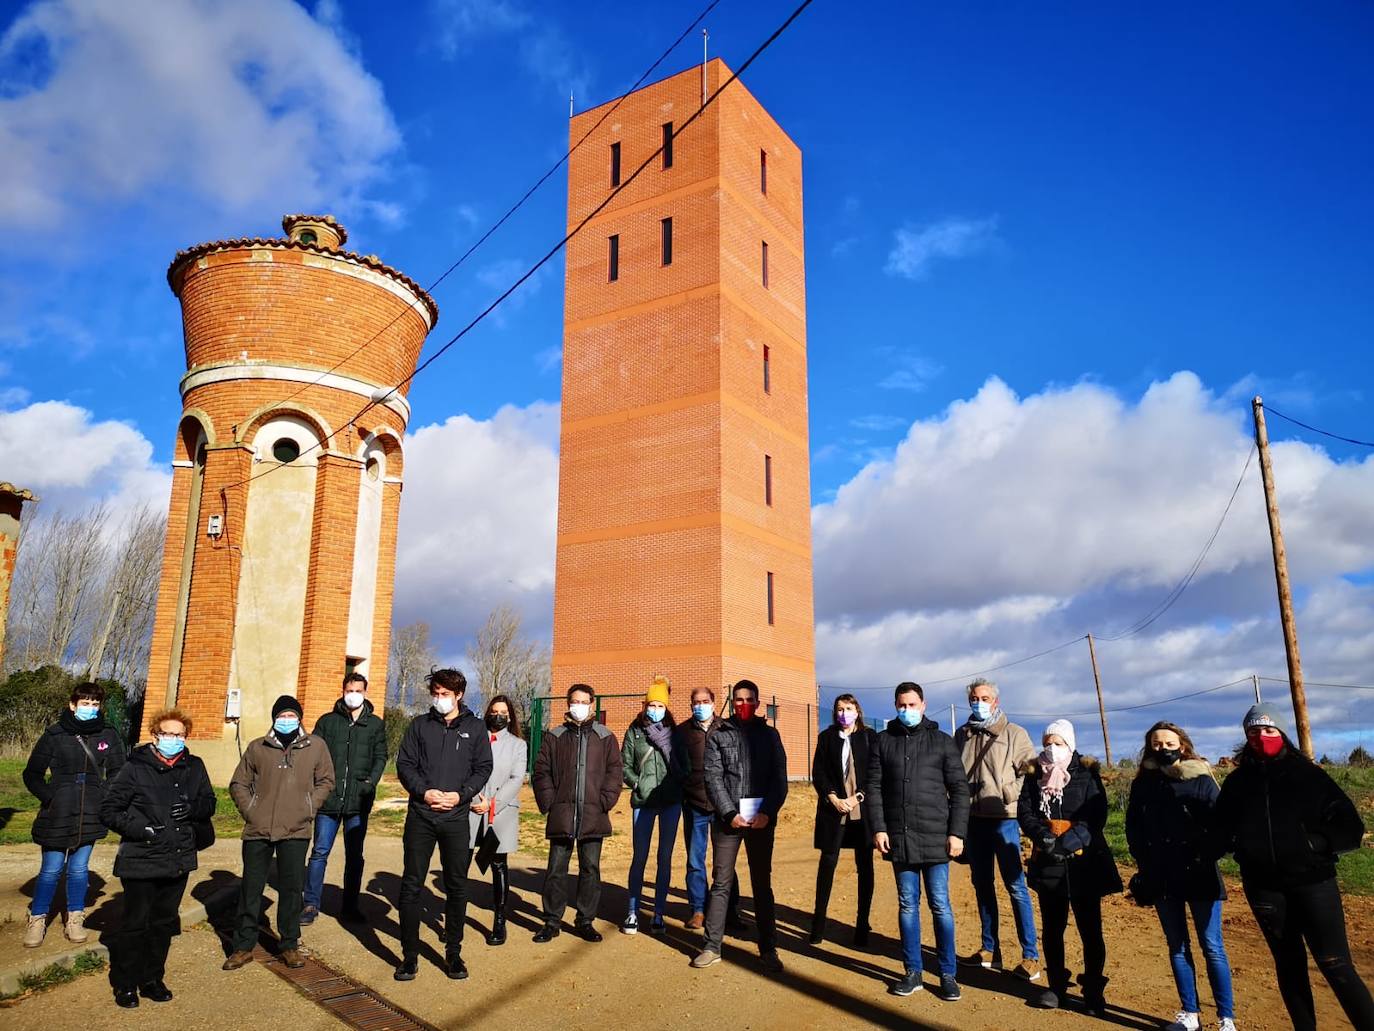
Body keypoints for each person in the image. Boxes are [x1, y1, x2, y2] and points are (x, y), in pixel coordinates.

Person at [1213, 704, 1374, 1031]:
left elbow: (1350, 827)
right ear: (1246, 737)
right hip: (1264, 887)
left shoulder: (1310, 776)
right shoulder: (1237, 783)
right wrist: (1227, 846)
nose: (1262, 737)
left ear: (1283, 733)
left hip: (1313, 884)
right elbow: (1219, 830)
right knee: (1289, 965)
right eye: (1254, 732)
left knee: (1336, 965)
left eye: (1269, 730)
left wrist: (1314, 844)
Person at [100, 708, 216, 1008]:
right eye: (168, 734)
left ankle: (152, 979)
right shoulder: (135, 767)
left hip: (178, 857)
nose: (174, 739)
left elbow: (209, 802)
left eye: (179, 735)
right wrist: (142, 830)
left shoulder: (195, 766)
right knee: (135, 923)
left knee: (163, 923)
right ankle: (125, 984)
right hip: (142, 857)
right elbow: (110, 810)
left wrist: (193, 809)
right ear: (155, 735)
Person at [1126, 720, 1237, 1031]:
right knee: (1177, 945)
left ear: (1183, 745)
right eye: (1157, 744)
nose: (1163, 749)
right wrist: (1143, 859)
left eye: (1169, 743)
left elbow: (1222, 826)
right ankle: (1190, 1014)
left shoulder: (1202, 778)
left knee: (1212, 945)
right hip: (1160, 873)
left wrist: (1205, 853)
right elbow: (1133, 826)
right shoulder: (1143, 783)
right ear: (1149, 748)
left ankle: (1225, 1018)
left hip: (1199, 871)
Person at [866, 681, 969, 1001]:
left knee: (940, 905)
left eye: (912, 705)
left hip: (937, 838)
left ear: (923, 705)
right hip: (900, 838)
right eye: (901, 705)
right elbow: (874, 789)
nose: (906, 710)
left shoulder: (942, 741)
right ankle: (913, 972)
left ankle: (948, 973)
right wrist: (879, 829)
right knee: (907, 905)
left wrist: (957, 833)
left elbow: (960, 790)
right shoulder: (883, 741)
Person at [393, 668, 493, 980]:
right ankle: (409, 956)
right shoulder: (419, 726)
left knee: (457, 886)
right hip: (421, 817)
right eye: (435, 694)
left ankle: (454, 954)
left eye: (445, 695)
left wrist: (461, 796)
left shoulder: (475, 729)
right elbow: (405, 764)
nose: (439, 700)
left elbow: (483, 767)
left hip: (455, 819)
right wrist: (424, 792)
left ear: (459, 695)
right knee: (411, 884)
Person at [1018, 718, 1122, 1014]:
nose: (1052, 748)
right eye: (1047, 742)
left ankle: (1092, 990)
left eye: (1058, 742)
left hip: (1084, 861)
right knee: (1052, 927)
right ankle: (1055, 987)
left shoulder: (1087, 773)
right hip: (1048, 860)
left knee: (1090, 929)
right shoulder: (1034, 772)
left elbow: (1097, 812)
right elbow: (1025, 810)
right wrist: (1043, 837)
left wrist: (1073, 840)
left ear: (1070, 744)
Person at [224, 695, 334, 972]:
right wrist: (251, 809)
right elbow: (239, 782)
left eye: (291, 716)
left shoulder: (316, 746)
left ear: (299, 718)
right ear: (274, 719)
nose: (287, 720)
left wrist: (309, 806)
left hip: (296, 829)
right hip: (258, 829)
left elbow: (326, 781)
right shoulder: (257, 747)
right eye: (281, 716)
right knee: (251, 888)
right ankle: (243, 945)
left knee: (291, 889)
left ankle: (289, 945)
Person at [691, 678, 788, 974]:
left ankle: (768, 948)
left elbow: (779, 779)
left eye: (749, 700)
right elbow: (713, 777)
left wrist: (767, 813)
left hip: (761, 821)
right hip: (729, 821)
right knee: (721, 882)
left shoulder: (770, 736)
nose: (743, 704)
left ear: (758, 704)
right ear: (732, 702)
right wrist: (728, 811)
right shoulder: (719, 734)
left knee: (762, 884)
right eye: (738, 699)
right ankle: (712, 946)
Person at [22, 681, 127, 948]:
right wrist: (50, 797)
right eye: (85, 704)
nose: (90, 708)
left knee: (79, 869)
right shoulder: (55, 734)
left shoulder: (108, 734)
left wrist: (105, 795)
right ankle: (37, 919)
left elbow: (119, 771)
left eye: (94, 704)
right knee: (51, 869)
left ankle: (75, 919)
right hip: (58, 811)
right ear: (73, 705)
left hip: (91, 810)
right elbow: (32, 774)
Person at [953, 677, 1040, 980]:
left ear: (996, 701)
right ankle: (990, 951)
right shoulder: (961, 735)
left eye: (985, 698)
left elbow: (1030, 774)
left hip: (1004, 820)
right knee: (982, 885)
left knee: (1016, 887)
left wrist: (1008, 793)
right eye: (975, 698)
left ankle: (1030, 956)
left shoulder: (1014, 734)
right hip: (973, 821)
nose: (979, 702)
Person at [531, 683, 623, 943]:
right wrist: (550, 801)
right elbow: (541, 771)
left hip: (594, 814)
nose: (578, 706)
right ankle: (551, 920)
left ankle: (585, 920)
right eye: (574, 701)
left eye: (583, 702)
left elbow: (615, 772)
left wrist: (605, 800)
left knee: (590, 869)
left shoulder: (605, 737)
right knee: (556, 868)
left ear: (592, 704)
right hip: (562, 812)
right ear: (567, 703)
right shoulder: (555, 735)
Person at [302, 672, 388, 925]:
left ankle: (350, 906)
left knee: (354, 855)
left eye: (358, 691)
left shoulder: (374, 724)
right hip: (329, 800)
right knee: (319, 852)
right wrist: (319, 785)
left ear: (365, 692)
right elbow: (313, 753)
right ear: (342, 691)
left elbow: (380, 756)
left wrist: (370, 782)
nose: (353, 695)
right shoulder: (328, 722)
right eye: (349, 690)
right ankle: (310, 904)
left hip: (357, 802)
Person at [621, 675, 688, 936]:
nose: (656, 710)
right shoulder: (634, 731)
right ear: (645, 704)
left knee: (665, 858)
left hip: (671, 802)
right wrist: (637, 783)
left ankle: (658, 913)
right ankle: (632, 911)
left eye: (660, 705)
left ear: (667, 706)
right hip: (643, 801)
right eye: (652, 704)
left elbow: (686, 767)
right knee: (639, 857)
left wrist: (676, 784)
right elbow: (624, 764)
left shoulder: (676, 734)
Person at [809, 693, 876, 946]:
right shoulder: (826, 737)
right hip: (833, 810)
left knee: (865, 865)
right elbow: (819, 771)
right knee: (827, 862)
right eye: (839, 708)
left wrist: (857, 797)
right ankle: (818, 923)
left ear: (857, 711)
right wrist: (833, 798)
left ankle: (862, 923)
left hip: (862, 811)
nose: (843, 713)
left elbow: (874, 772)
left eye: (848, 708)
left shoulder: (870, 738)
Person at [676, 685, 741, 931]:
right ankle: (698, 910)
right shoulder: (682, 732)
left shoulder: (728, 729)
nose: (700, 705)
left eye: (705, 701)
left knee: (724, 862)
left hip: (723, 807)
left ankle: (729, 912)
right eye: (696, 701)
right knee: (695, 860)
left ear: (714, 703)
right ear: (691, 704)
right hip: (694, 805)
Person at [468, 694, 528, 946]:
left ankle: (499, 921)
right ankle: (454, 918)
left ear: (510, 715)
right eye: (494, 711)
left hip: (501, 812)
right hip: (472, 807)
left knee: (498, 865)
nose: (498, 715)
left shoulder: (518, 745)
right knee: (459, 861)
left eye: (503, 711)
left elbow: (517, 778)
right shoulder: (474, 738)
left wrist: (493, 803)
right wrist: (475, 797)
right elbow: (466, 769)